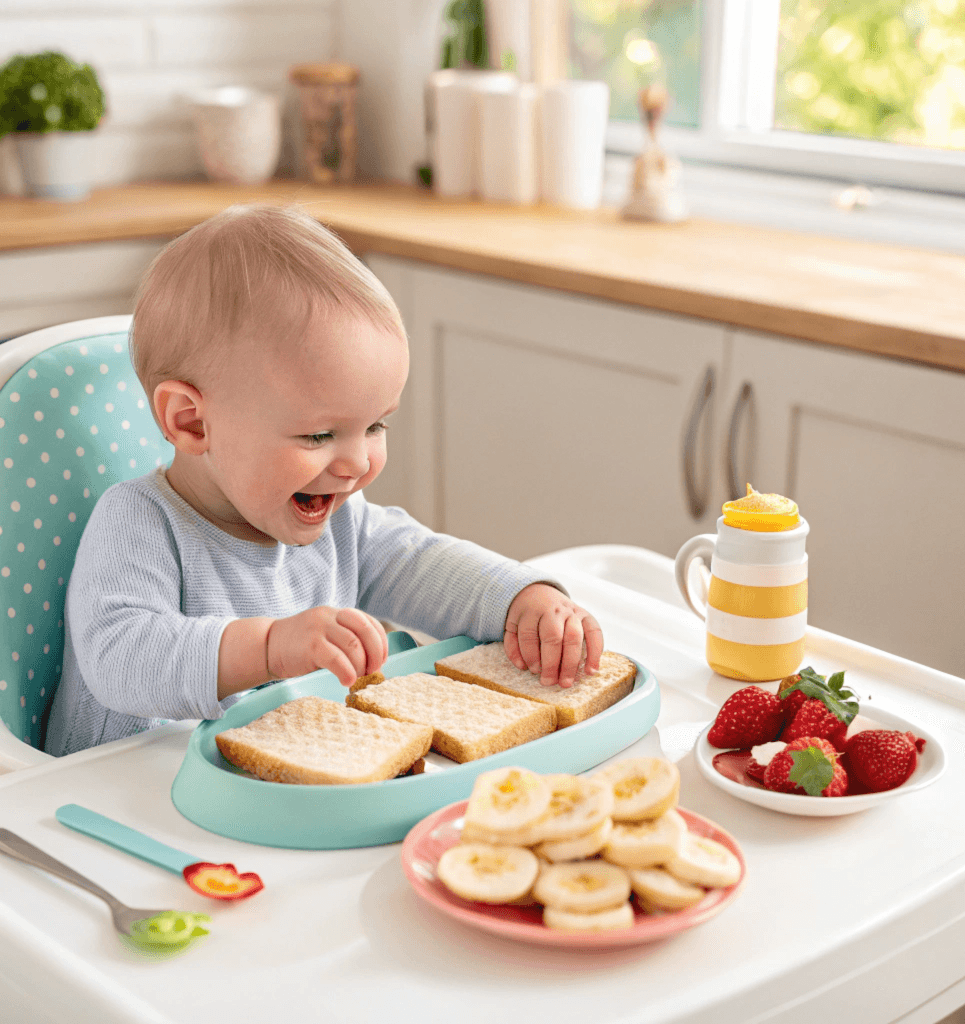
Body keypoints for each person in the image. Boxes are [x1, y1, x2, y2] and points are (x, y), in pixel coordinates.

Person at [44, 204, 604, 756]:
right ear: (191, 421)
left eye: (375, 425)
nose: (358, 463)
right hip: (117, 800)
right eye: (318, 436)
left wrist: (520, 599)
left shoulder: (339, 521)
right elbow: (119, 657)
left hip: (264, 794)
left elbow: (421, 561)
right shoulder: (137, 522)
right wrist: (269, 647)